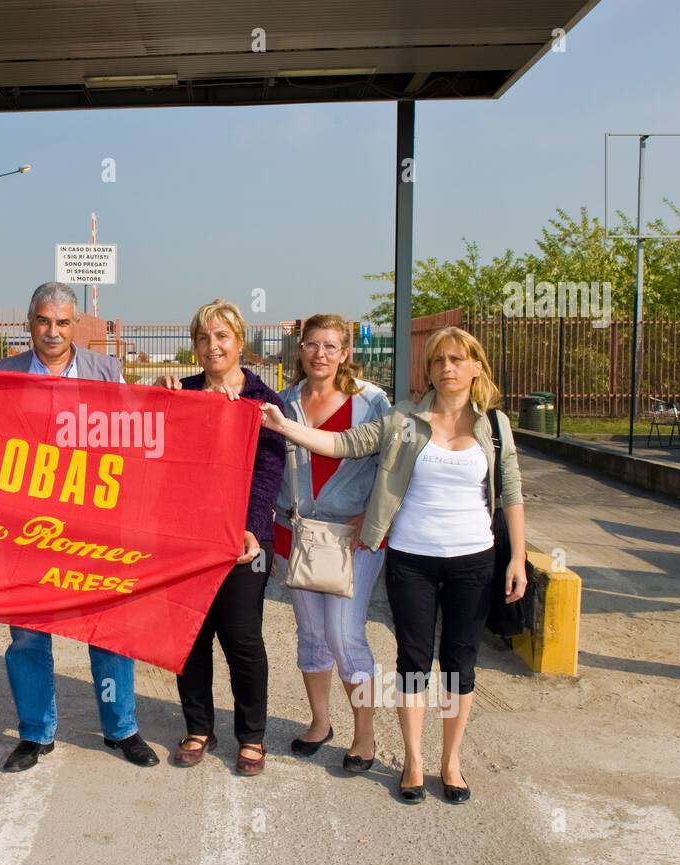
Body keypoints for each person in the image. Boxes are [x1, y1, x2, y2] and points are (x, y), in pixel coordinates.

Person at [261, 326, 526, 803]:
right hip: (411, 557)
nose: (447, 367)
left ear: (476, 367)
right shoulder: (404, 418)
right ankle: (413, 760)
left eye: (457, 359)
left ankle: (451, 762)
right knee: (413, 661)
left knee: (460, 662)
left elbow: (511, 494)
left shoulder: (495, 426)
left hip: (474, 558)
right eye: (438, 360)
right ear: (428, 370)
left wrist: (519, 559)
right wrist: (285, 426)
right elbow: (343, 443)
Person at [0, 281, 159, 772]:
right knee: (27, 633)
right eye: (43, 321)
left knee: (108, 626)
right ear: (29, 322)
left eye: (63, 322)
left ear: (75, 325)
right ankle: (35, 733)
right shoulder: (1, 374)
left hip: (95, 524)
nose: (52, 331)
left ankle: (121, 728)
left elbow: (135, 438)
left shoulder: (108, 372)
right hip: (23, 530)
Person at [154, 299, 286, 775]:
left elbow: (269, 470)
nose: (214, 346)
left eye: (223, 336)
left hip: (245, 540)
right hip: (188, 537)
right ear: (195, 345)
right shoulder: (181, 393)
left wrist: (249, 528)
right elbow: (156, 456)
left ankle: (251, 737)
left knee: (243, 638)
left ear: (239, 341)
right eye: (205, 338)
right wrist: (157, 397)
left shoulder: (265, 401)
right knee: (192, 635)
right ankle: (198, 727)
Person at [272, 315, 390, 772]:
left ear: (345, 353)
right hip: (300, 533)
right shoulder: (284, 402)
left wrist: (372, 517)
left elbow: (394, 465)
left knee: (344, 634)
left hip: (353, 537)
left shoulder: (371, 401)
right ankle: (320, 723)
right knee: (312, 633)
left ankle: (365, 734)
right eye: (312, 344)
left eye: (330, 345)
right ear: (300, 349)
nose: (320, 353)